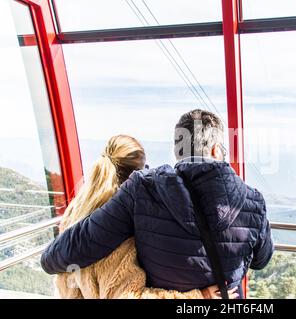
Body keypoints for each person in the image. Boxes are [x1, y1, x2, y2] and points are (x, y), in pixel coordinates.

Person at [41, 109, 274, 299]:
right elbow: (261, 260)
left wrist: (49, 259)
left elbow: (86, 242)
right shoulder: (254, 201)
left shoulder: (143, 188)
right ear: (216, 150)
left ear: (177, 152)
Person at [54, 135, 237, 299]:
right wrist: (199, 297)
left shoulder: (76, 210)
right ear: (135, 177)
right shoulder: (117, 230)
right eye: (145, 170)